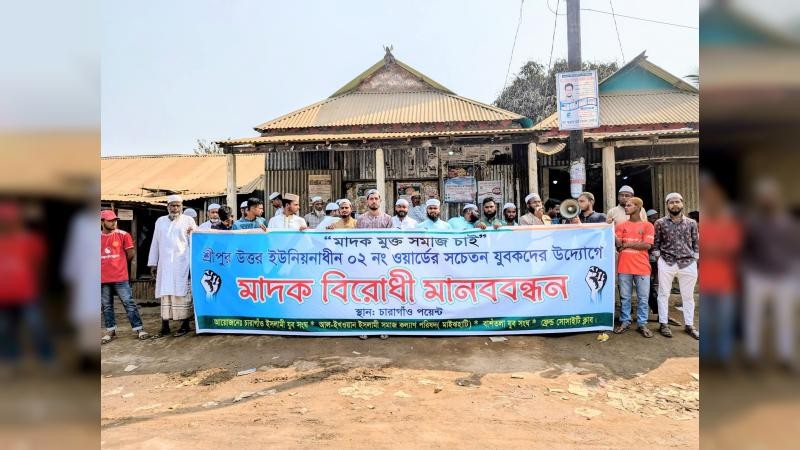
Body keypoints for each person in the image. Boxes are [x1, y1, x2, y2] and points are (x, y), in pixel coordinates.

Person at [742, 178, 799, 371]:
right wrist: (748, 271)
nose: (767, 200)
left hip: (784, 277)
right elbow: (745, 249)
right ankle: (752, 355)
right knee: (754, 316)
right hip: (757, 276)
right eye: (763, 197)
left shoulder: (789, 223)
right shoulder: (752, 223)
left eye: (770, 196)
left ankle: (785, 356)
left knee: (785, 317)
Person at [0, 201, 54, 368]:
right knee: (5, 329)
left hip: (27, 292)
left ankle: (47, 356)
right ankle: (12, 358)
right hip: (3, 295)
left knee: (36, 326)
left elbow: (40, 265)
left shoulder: (30, 240)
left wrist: (39, 287)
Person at [699, 176, 742, 365]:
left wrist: (712, 249)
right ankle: (707, 355)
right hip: (706, 280)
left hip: (725, 281)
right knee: (706, 321)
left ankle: (723, 356)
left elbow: (732, 249)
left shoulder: (730, 225)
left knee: (724, 320)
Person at [147, 194, 197, 338]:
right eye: (172, 205)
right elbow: (155, 242)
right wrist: (153, 263)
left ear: (182, 207)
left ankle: (185, 325)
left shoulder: (188, 220)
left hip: (182, 264)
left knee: (183, 295)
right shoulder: (160, 221)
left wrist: (193, 233)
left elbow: (196, 240)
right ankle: (165, 327)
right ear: (167, 207)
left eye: (178, 206)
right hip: (165, 265)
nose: (175, 208)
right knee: (165, 294)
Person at [653, 192, 700, 340]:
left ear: (682, 203)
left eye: (677, 202)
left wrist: (695, 258)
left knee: (688, 296)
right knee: (663, 294)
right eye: (671, 202)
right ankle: (663, 323)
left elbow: (696, 242)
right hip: (667, 261)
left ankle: (689, 325)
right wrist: (659, 257)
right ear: (667, 205)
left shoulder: (691, 223)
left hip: (688, 263)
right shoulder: (660, 223)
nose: (674, 205)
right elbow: (656, 242)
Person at [100, 210, 149, 343]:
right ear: (102, 222)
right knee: (106, 305)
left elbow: (130, 254)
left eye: (115, 220)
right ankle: (111, 331)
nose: (113, 223)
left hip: (120, 277)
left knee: (129, 303)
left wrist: (119, 264)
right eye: (110, 221)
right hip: (102, 278)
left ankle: (139, 329)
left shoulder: (123, 235)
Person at [613, 197, 655, 338]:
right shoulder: (621, 226)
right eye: (625, 205)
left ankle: (642, 323)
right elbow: (619, 245)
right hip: (624, 266)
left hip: (642, 267)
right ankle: (625, 321)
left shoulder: (648, 226)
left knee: (643, 298)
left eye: (629, 205)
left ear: (638, 207)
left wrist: (627, 244)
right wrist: (611, 231)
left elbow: (647, 245)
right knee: (625, 297)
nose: (626, 207)